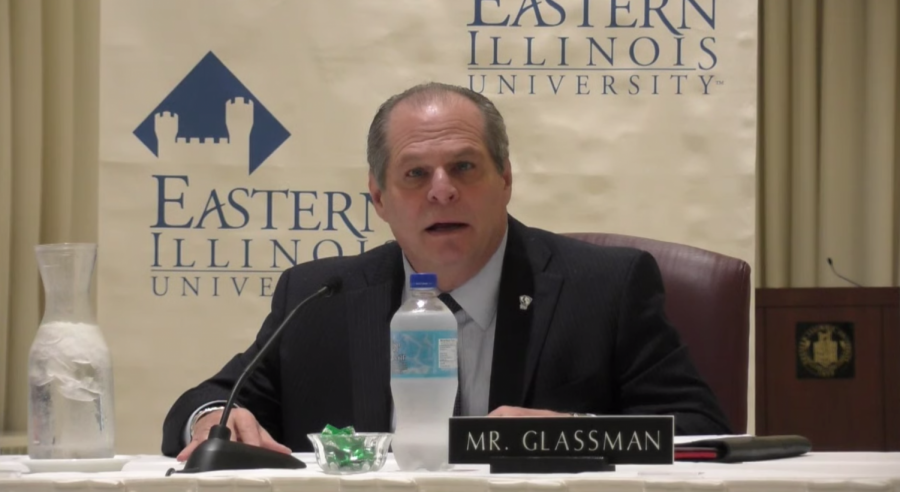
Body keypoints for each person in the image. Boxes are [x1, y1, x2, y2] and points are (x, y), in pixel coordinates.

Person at [161, 82, 731, 460]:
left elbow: (702, 430)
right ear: (379, 198)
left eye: (464, 166)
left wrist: (564, 432)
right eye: (414, 175)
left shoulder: (604, 287)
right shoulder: (321, 297)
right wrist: (215, 419)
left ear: (505, 179)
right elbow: (208, 402)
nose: (442, 191)